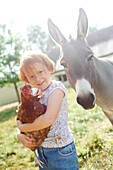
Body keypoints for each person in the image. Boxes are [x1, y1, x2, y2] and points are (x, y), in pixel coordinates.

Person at [17, 52, 79, 170]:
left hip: (61, 150)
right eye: (31, 76)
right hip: (42, 151)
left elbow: (48, 119)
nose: (38, 79)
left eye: (40, 72)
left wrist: (23, 128)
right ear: (26, 79)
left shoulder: (56, 89)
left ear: (49, 68)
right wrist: (19, 135)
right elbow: (22, 118)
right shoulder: (33, 94)